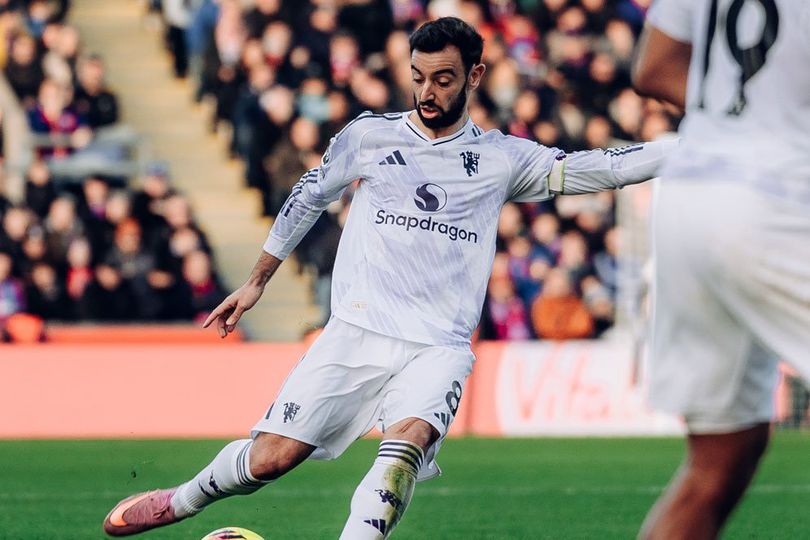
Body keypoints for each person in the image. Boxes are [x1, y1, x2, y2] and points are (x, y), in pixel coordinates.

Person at [103, 17, 675, 538]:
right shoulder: (369, 136)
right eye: (419, 77)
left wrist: (682, 150)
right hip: (356, 331)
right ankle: (182, 499)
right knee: (269, 459)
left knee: (403, 453)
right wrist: (257, 280)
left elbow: (598, 169)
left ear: (475, 76)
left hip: (438, 346)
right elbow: (308, 196)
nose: (428, 92)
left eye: (444, 79)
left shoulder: (501, 159)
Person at [632, 1, 810, 539]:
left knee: (717, 465)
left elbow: (653, 65)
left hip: (692, 190)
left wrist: (742, 124)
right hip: (782, 196)